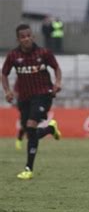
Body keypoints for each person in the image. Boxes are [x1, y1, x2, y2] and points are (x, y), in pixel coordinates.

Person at [1, 24, 62, 180]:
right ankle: (50, 129)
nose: (26, 38)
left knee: (30, 126)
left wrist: (57, 83)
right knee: (30, 132)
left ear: (33, 36)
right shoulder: (13, 55)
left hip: (43, 94)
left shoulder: (44, 53)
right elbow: (4, 73)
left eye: (29, 35)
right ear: (18, 39)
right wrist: (7, 91)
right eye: (23, 36)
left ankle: (28, 169)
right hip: (24, 98)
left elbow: (56, 68)